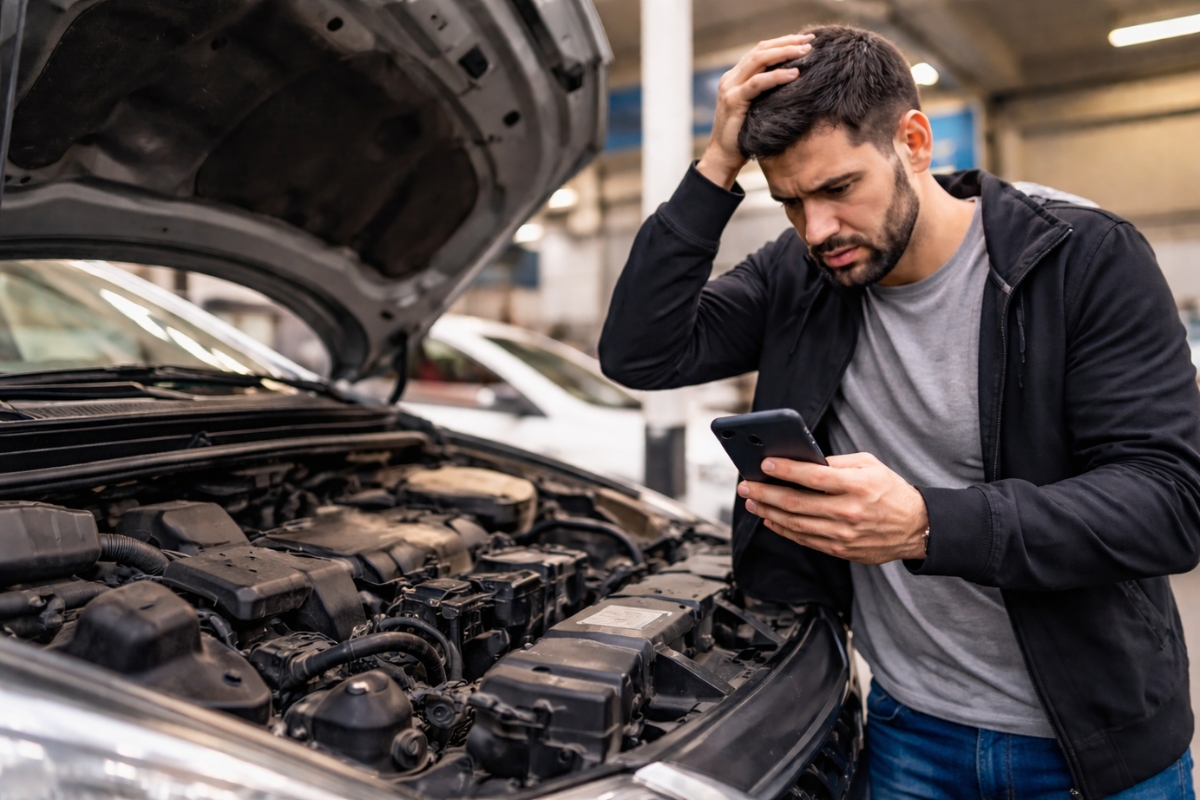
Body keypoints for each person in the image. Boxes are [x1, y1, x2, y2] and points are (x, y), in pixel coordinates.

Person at [598, 24, 1200, 800]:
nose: (818, 230)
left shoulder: (1081, 259)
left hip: (1096, 745)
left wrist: (925, 524)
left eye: (839, 189)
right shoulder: (803, 272)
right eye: (790, 202)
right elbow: (642, 353)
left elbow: (1167, 503)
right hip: (909, 731)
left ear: (913, 140)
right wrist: (716, 165)